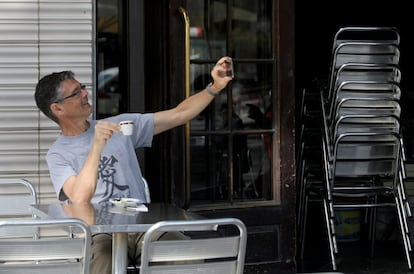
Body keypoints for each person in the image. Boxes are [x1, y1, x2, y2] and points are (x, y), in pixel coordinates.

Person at [34, 56, 233, 273]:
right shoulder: (58, 153)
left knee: (184, 252)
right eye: (75, 93)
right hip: (101, 232)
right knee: (102, 260)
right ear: (58, 109)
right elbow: (80, 197)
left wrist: (214, 87)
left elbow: (179, 114)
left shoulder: (119, 125)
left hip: (143, 224)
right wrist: (97, 145)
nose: (85, 93)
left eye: (82, 87)